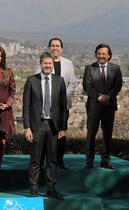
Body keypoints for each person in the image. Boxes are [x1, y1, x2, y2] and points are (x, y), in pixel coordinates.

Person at [23, 52, 67, 200]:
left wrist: (63, 128)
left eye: (50, 63)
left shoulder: (59, 81)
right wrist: (27, 127)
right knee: (35, 159)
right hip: (37, 125)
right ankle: (33, 189)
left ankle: (51, 189)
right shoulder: (31, 81)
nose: (47, 66)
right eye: (45, 63)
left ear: (52, 65)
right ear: (40, 64)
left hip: (54, 126)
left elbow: (63, 107)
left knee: (53, 160)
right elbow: (26, 107)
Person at [36, 38, 76, 169]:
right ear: (49, 47)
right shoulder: (42, 63)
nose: (55, 48)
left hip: (63, 106)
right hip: (46, 107)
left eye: (57, 46)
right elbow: (37, 82)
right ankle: (43, 160)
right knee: (44, 134)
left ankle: (59, 160)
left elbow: (72, 83)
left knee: (61, 133)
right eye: (52, 46)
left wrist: (62, 97)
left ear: (61, 48)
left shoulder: (68, 63)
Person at [83, 44, 122, 169]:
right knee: (91, 135)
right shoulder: (89, 68)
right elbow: (87, 86)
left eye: (103, 54)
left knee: (107, 135)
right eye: (98, 53)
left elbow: (118, 85)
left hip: (109, 106)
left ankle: (105, 161)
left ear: (109, 55)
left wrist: (108, 97)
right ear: (96, 54)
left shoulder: (115, 69)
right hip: (93, 107)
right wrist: (100, 97)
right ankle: (89, 162)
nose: (101, 56)